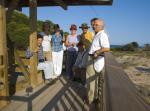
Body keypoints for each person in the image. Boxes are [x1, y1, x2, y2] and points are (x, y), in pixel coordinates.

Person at [86, 18, 110, 105]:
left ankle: (91, 100)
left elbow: (107, 48)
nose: (93, 26)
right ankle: (94, 97)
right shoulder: (98, 34)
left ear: (101, 26)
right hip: (92, 59)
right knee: (93, 80)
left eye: (96, 25)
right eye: (93, 24)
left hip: (93, 59)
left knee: (90, 80)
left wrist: (97, 52)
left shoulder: (102, 35)